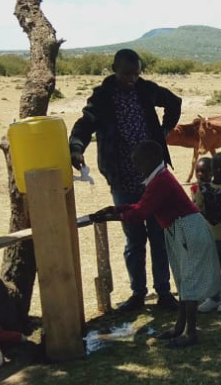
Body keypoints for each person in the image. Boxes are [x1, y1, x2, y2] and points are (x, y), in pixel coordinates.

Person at [69, 48, 181, 312]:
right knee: (134, 239)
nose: (131, 79)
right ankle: (137, 294)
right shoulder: (102, 97)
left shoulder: (146, 90)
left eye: (135, 74)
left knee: (159, 235)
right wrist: (75, 147)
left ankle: (163, 292)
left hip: (153, 177)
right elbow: (85, 124)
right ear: (114, 69)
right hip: (121, 178)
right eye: (126, 74)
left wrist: (164, 130)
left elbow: (174, 102)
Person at [91, 141, 220, 348]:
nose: (137, 167)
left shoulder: (161, 180)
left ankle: (190, 333)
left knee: (188, 283)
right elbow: (142, 205)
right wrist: (115, 210)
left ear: (151, 160)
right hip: (179, 229)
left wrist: (112, 216)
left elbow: (142, 212)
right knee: (183, 281)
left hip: (185, 229)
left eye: (139, 162)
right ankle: (180, 328)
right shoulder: (158, 178)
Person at [192, 153, 221, 314]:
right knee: (212, 269)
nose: (218, 171)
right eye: (215, 168)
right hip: (209, 237)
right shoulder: (202, 189)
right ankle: (213, 298)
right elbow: (197, 209)